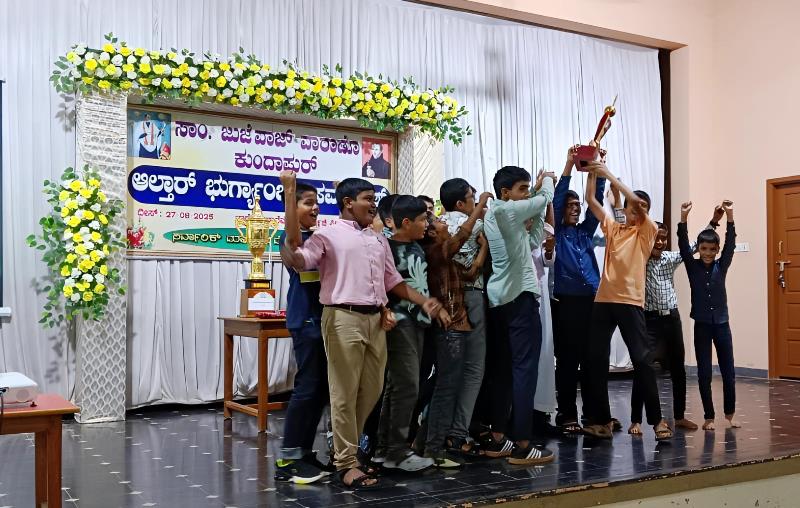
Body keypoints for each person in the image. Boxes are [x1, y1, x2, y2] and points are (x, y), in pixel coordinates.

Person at [280, 171, 442, 488]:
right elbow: (299, 258)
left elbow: (392, 280)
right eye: (368, 199)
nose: (374, 204)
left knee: (370, 392)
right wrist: (289, 194)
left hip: (376, 321)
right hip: (342, 318)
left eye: (374, 198)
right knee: (344, 394)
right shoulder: (326, 235)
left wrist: (423, 301)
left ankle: (346, 450)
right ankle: (346, 463)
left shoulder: (378, 239)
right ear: (348, 202)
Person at [581, 161, 672, 441]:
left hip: (630, 302)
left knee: (642, 360)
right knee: (595, 359)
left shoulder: (647, 231)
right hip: (604, 300)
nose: (635, 209)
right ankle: (600, 420)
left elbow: (636, 202)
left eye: (639, 208)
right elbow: (590, 199)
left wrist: (609, 175)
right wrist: (593, 169)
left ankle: (657, 421)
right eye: (631, 208)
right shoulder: (614, 227)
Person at [628, 207, 725, 435]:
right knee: (643, 370)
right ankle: (636, 420)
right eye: (657, 238)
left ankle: (679, 417)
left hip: (672, 319)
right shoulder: (639, 258)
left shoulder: (670, 258)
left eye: (664, 238)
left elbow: (694, 246)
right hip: (650, 321)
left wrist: (713, 222)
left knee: (678, 370)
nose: (661, 242)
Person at [482, 166, 556, 465]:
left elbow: (533, 240)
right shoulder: (506, 211)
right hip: (520, 300)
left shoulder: (495, 214)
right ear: (505, 193)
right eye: (522, 189)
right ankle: (524, 444)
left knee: (503, 371)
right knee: (525, 371)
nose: (526, 194)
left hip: (500, 301)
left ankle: (499, 437)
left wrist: (535, 201)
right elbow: (546, 197)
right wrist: (546, 180)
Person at [417, 190, 492, 467]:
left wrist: (482, 250)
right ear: (433, 234)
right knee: (446, 387)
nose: (444, 222)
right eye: (438, 223)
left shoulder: (446, 257)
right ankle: (434, 449)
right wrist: (481, 205)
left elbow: (471, 272)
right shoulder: (438, 251)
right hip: (450, 327)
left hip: (458, 324)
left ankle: (426, 443)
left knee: (446, 384)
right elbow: (462, 235)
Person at [377, 195, 444, 472]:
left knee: (399, 386)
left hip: (418, 322)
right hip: (399, 320)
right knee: (406, 387)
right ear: (405, 222)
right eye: (422, 220)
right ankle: (396, 451)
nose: (427, 224)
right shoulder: (385, 247)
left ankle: (385, 448)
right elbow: (384, 283)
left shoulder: (417, 245)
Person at [274, 180, 333, 484]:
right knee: (308, 387)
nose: (316, 208)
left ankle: (304, 452)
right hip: (306, 321)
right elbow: (294, 247)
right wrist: (288, 191)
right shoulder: (288, 238)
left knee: (320, 390)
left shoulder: (320, 237)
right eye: (308, 202)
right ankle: (288, 458)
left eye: (317, 202)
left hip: (324, 320)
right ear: (292, 207)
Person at [551, 148, 606, 433]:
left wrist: (599, 168)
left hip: (593, 301)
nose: (575, 208)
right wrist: (569, 165)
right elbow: (557, 199)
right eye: (570, 205)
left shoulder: (585, 232)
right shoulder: (557, 233)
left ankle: (594, 415)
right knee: (568, 360)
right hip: (567, 303)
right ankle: (566, 414)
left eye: (577, 205)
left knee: (592, 359)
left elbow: (596, 202)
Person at [440, 178, 490, 457]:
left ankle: (434, 429)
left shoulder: (437, 223)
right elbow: (472, 270)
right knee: (473, 368)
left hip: (443, 299)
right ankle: (457, 433)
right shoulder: (476, 226)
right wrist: (483, 249)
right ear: (461, 203)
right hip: (470, 297)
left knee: (448, 370)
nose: (475, 201)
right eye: (472, 197)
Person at [678, 200, 739, 431]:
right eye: (703, 249)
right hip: (702, 326)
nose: (707, 253)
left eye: (712, 250)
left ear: (717, 250)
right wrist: (683, 218)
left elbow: (731, 244)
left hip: (722, 325)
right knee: (704, 373)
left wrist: (730, 216)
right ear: (699, 249)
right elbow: (683, 245)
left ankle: (730, 414)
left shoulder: (721, 266)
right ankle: (709, 417)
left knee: (728, 372)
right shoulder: (692, 266)